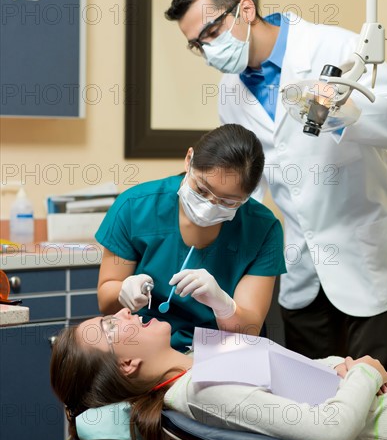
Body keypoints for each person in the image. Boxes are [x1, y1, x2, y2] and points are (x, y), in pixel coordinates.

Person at [165, 0, 387, 372]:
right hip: (300, 267)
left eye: (211, 33)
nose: (208, 50)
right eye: (197, 44)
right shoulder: (231, 92)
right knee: (310, 397)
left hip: (367, 259)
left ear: (245, 10)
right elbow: (250, 186)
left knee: (374, 397)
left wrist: (349, 112)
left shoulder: (336, 46)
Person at [50, 308, 387, 440]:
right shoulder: (202, 392)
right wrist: (364, 372)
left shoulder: (194, 360)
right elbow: (332, 430)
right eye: (113, 327)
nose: (126, 312)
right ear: (127, 365)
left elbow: (293, 377)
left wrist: (339, 367)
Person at [95, 123, 286, 352]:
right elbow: (106, 301)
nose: (209, 206)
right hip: (146, 347)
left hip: (222, 352)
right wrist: (123, 290)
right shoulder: (135, 207)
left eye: (228, 202)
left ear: (247, 197)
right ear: (189, 159)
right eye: (202, 190)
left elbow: (249, 329)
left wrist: (224, 306)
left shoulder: (262, 228)